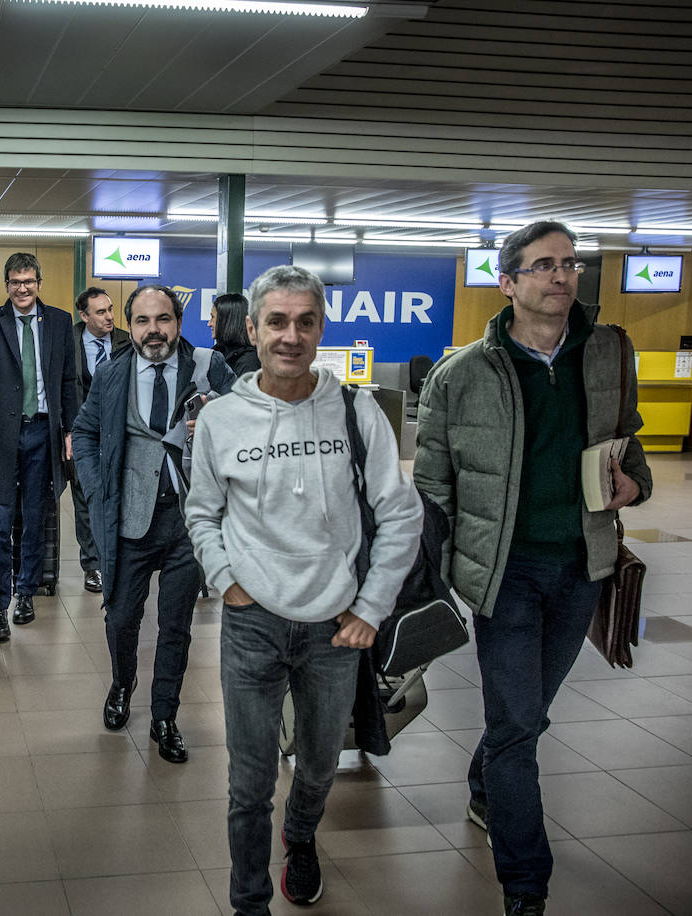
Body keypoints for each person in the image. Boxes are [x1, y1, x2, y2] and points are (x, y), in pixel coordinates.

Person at [414, 220, 652, 916]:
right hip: (503, 573)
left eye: (571, 264)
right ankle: (526, 884)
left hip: (583, 566)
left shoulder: (607, 353)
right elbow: (433, 488)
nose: (562, 277)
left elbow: (628, 441)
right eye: (545, 265)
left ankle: (486, 784)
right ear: (508, 280)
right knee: (518, 723)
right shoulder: (463, 374)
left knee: (526, 715)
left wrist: (633, 484)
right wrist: (426, 578)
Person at [185, 264, 422, 914]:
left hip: (335, 629)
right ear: (255, 329)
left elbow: (400, 511)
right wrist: (226, 580)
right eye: (278, 321)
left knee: (318, 767)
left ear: (321, 328)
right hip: (251, 626)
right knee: (250, 778)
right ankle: (249, 901)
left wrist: (372, 608)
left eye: (305, 321)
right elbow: (202, 512)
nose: (291, 335)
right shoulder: (222, 419)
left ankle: (300, 836)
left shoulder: (355, 410)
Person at [72, 284, 234, 763]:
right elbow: (83, 431)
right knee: (121, 618)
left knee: (176, 626)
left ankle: (165, 714)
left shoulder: (208, 367)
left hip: (189, 520)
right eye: (141, 321)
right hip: (130, 518)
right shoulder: (112, 372)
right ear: (131, 326)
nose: (153, 330)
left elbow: (251, 420)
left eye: (162, 319)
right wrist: (97, 483)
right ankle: (123, 683)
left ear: (177, 323)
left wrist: (215, 418)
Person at [0, 252, 78, 638]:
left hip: (44, 433)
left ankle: (26, 592)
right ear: (7, 285)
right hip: (3, 435)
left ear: (39, 283)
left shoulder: (60, 323)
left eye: (28, 281)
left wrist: (71, 431)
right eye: (15, 282)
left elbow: (68, 382)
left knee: (34, 520)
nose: (22, 288)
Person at [70, 285, 130, 593]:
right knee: (85, 498)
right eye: (101, 312)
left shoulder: (126, 342)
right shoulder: (69, 342)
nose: (109, 317)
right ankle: (92, 565)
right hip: (84, 434)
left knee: (121, 495)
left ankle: (119, 558)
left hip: (120, 433)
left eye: (110, 309)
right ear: (84, 315)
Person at [210, 292, 261, 377]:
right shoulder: (216, 353)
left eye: (213, 317)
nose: (209, 323)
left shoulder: (249, 362)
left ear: (226, 321)